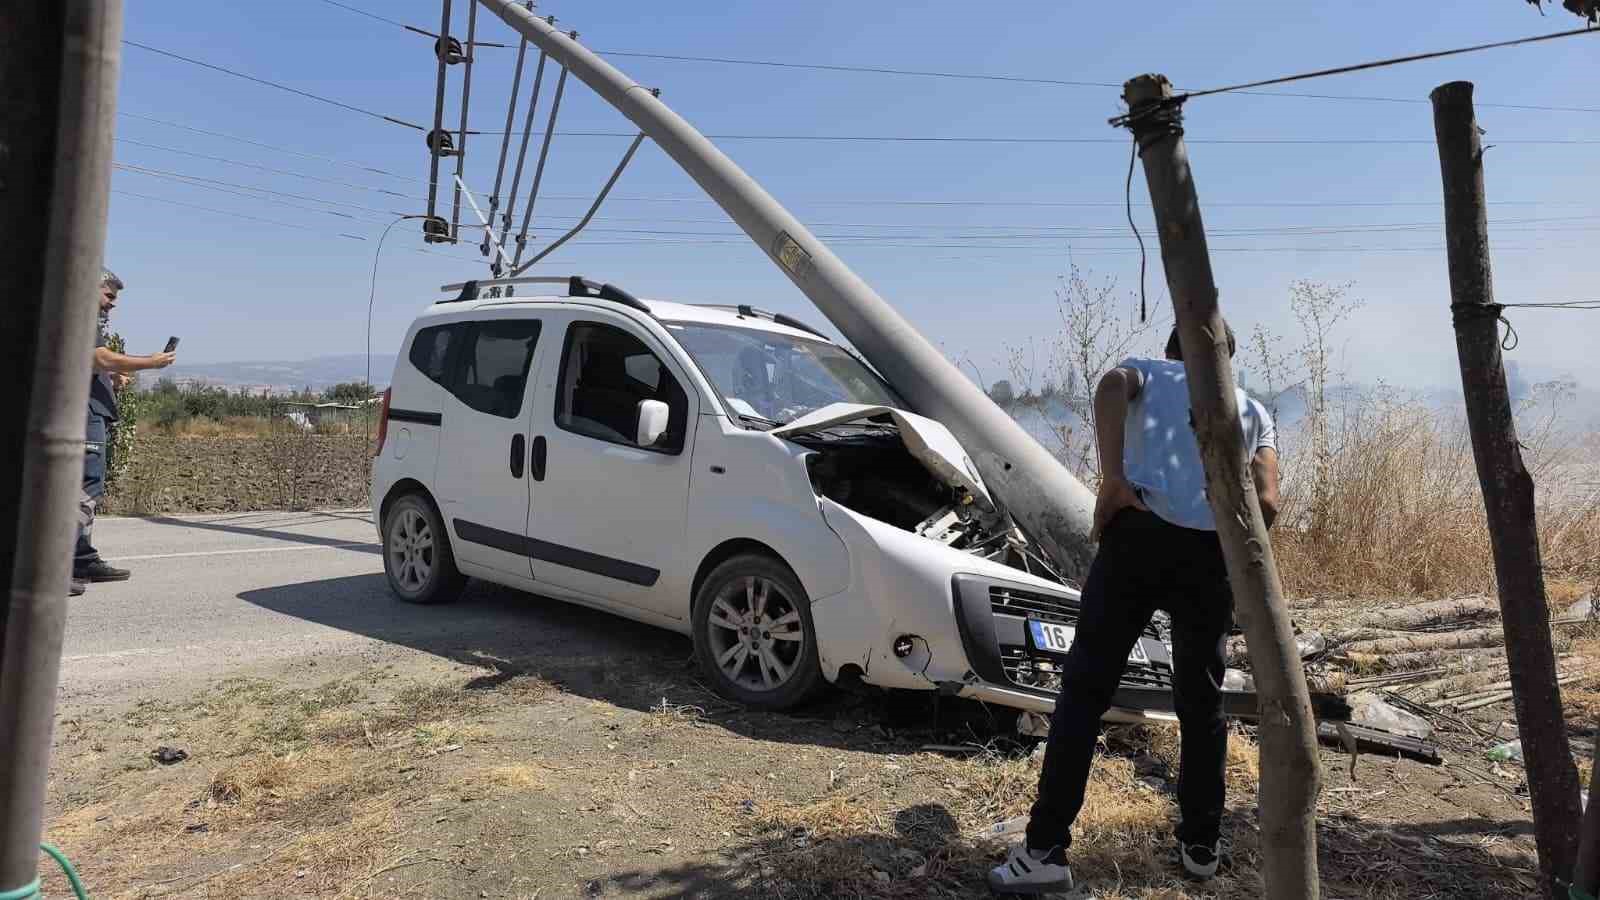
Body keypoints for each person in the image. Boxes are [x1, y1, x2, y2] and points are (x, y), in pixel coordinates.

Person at [988, 323, 1280, 894]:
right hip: (1210, 556)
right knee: (1201, 703)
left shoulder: (1149, 371)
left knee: (1084, 693)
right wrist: (1229, 551)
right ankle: (1201, 846)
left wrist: (1113, 478)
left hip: (1139, 541)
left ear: (1174, 351)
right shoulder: (1252, 410)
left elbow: (1110, 386)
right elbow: (1267, 501)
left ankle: (1045, 850)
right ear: (1229, 361)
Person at [73, 268, 176, 592]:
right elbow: (98, 357)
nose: (111, 305)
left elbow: (89, 363)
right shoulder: (80, 314)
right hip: (84, 411)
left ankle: (81, 558)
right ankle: (62, 564)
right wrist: (151, 362)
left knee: (87, 487)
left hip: (91, 409)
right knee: (82, 487)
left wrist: (111, 378)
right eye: (109, 297)